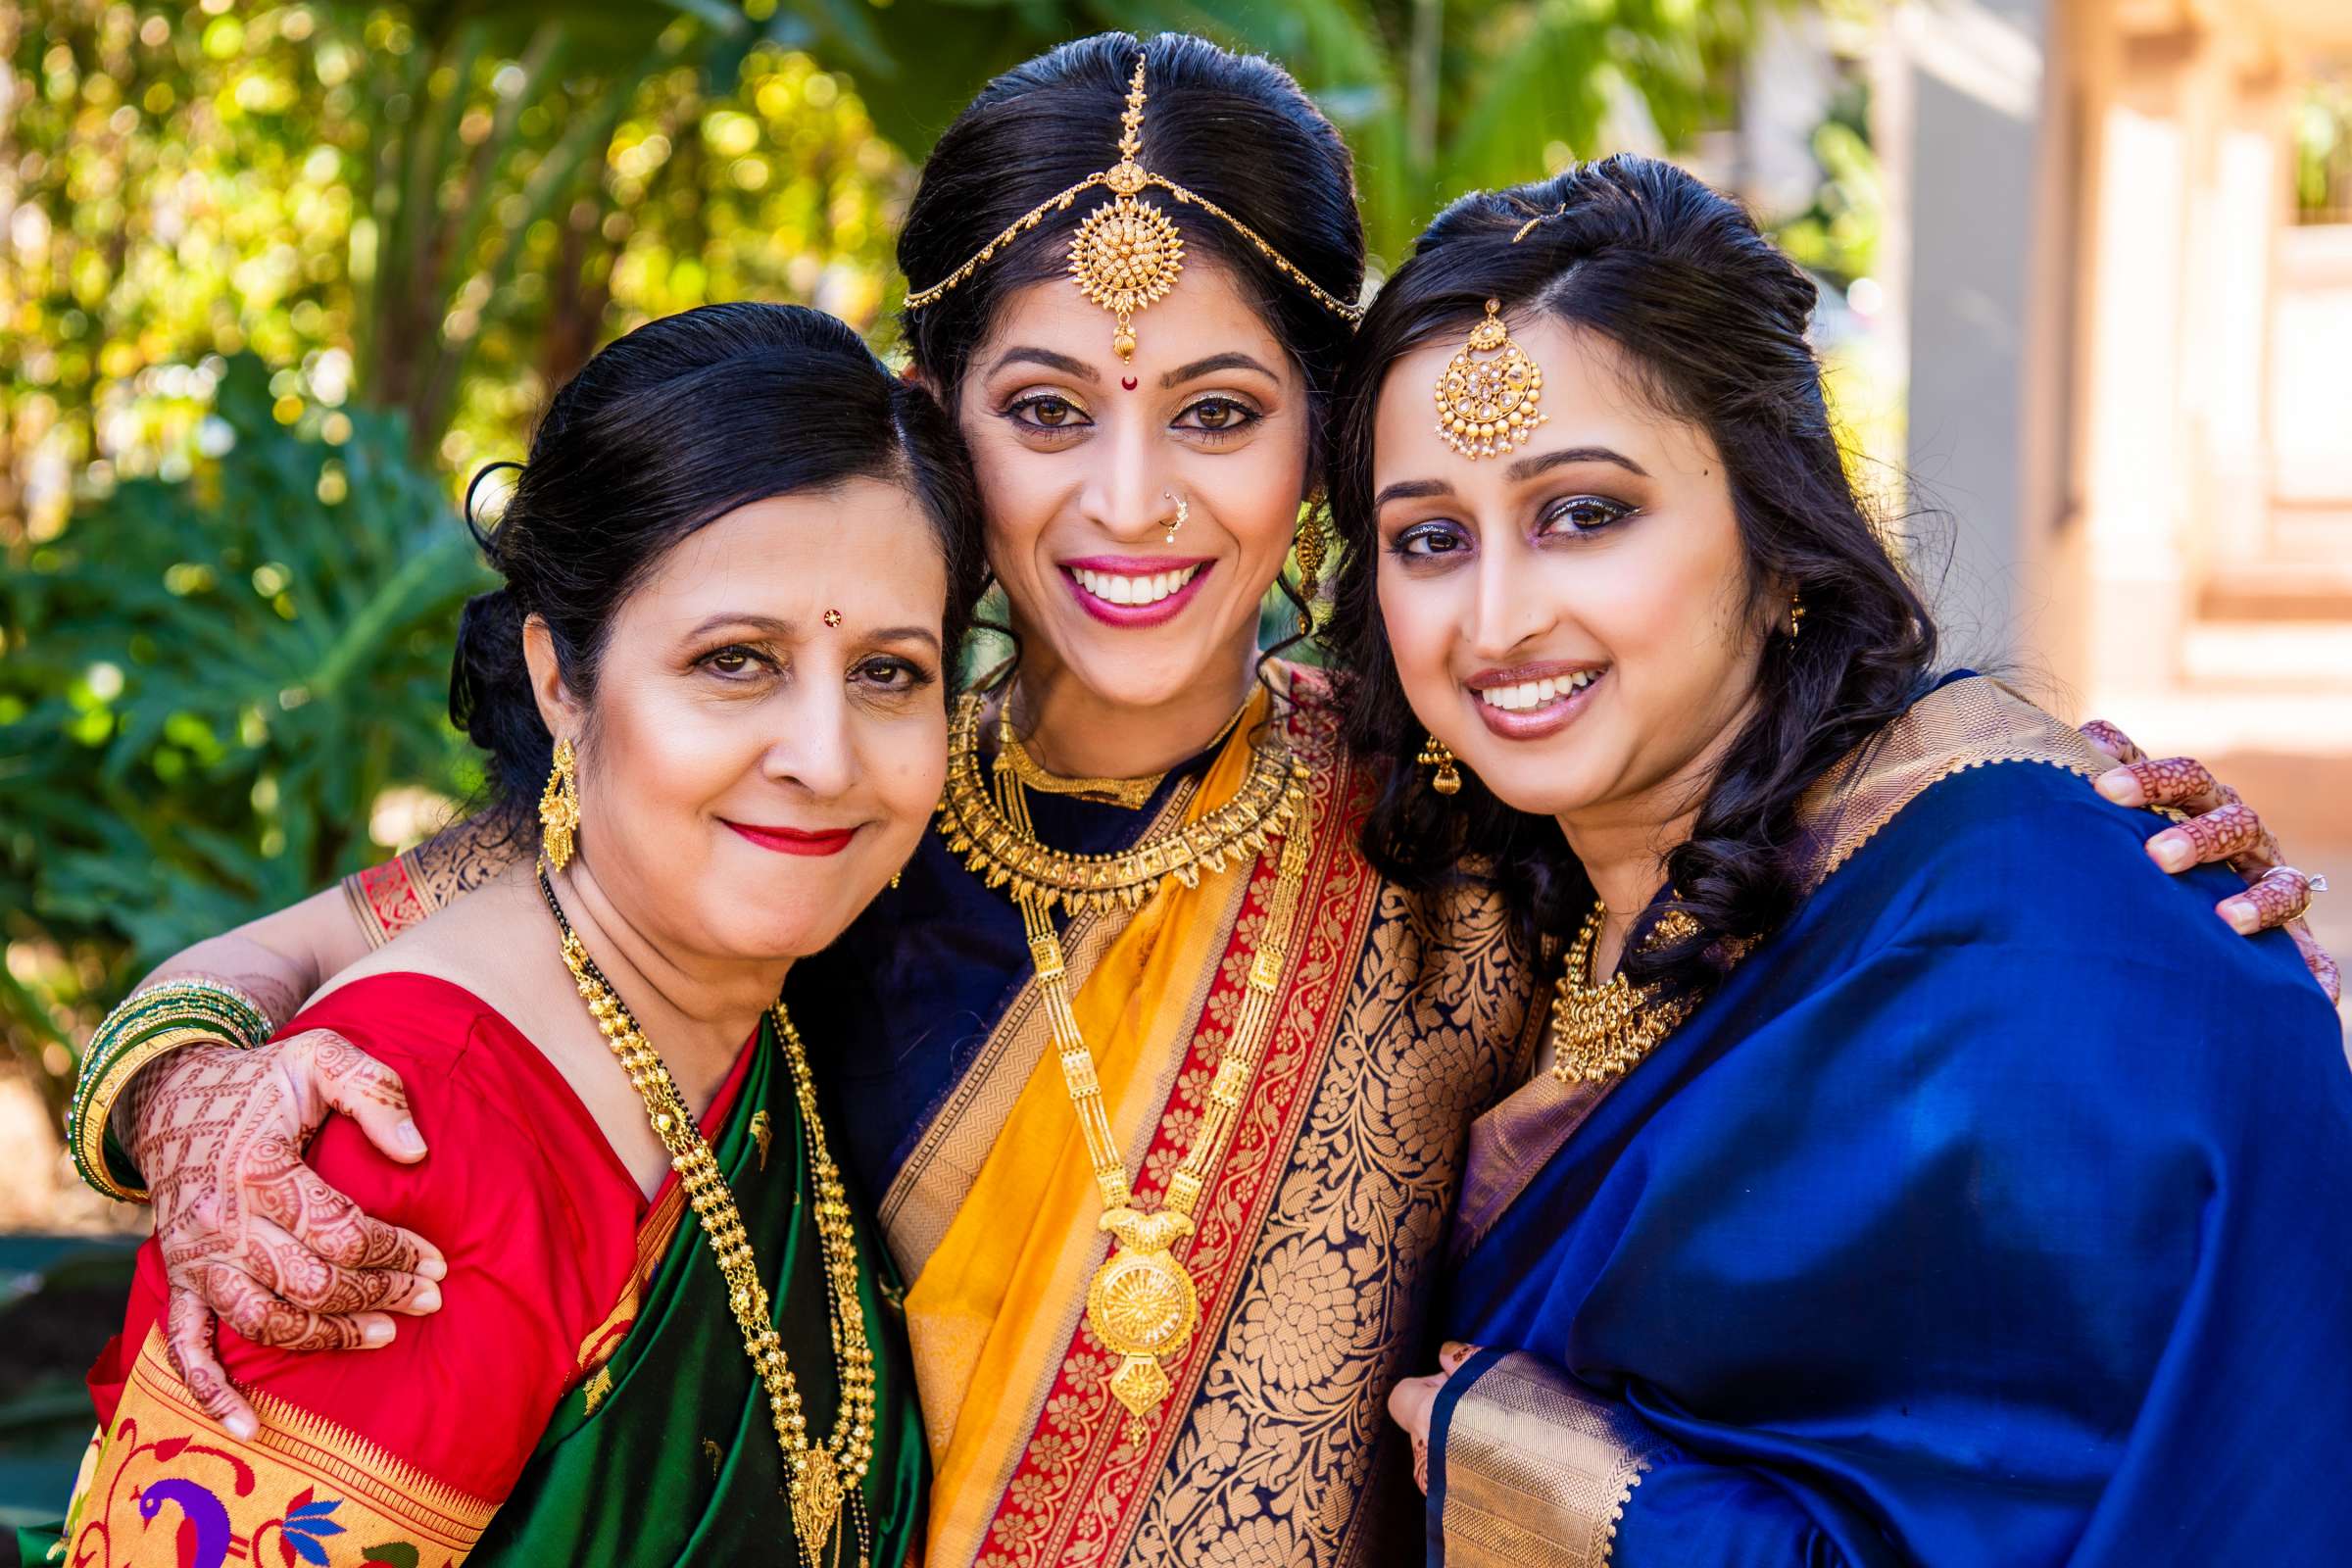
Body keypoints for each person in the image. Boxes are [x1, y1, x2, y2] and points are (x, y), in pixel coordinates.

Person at [58, 37, 2328, 1568]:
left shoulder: (1447, 804)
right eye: (1048, 408)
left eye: (1223, 411)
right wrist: (190, 1092)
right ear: (942, 417)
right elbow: (338, 948)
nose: (1130, 504)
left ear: (1321, 441)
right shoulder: (825, 803)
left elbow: (1818, 878)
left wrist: (2095, 828)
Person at [1326, 156, 2352, 1564]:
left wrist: (1601, 1508)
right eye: (1430, 539)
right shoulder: (1484, 909)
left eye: (1584, 513)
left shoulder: (2036, 922)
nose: (1497, 619)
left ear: (1776, 522)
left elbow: (2208, 1498)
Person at [26, 301, 988, 1568]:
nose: (823, 757)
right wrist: (181, 1091)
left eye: (889, 673)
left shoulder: (733, 989)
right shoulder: (401, 1147)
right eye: (734, 662)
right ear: (559, 680)